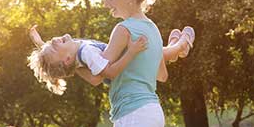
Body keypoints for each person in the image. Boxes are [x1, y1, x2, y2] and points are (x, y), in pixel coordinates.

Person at [26, 25, 194, 95]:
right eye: (53, 46)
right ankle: (181, 45)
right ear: (67, 59)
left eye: (50, 42)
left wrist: (41, 43)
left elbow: (57, 60)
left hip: (127, 64)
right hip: (127, 66)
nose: (54, 40)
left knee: (157, 54)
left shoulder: (73, 51)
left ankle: (174, 48)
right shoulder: (87, 54)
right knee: (154, 53)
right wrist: (132, 52)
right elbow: (110, 73)